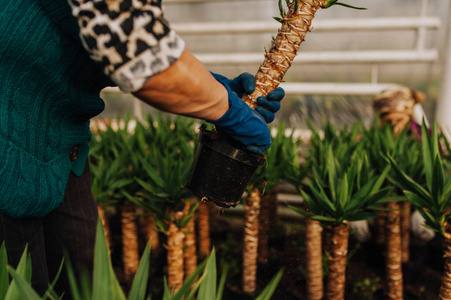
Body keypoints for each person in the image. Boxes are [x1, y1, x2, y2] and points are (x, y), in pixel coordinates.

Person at [0, 0, 285, 296]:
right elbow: (126, 43)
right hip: (8, 146)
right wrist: (223, 106)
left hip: (59, 143)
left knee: (86, 280)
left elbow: (100, 40)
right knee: (22, 284)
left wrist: (213, 87)